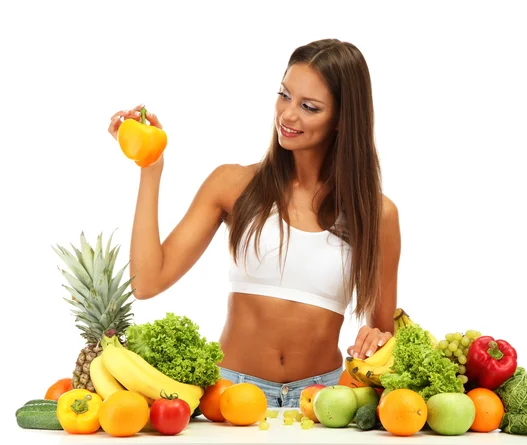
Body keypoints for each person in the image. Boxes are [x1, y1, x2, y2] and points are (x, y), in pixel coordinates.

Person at [107, 38, 400, 408]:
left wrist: (374, 338)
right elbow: (147, 282)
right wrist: (150, 169)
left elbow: (384, 332)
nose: (288, 115)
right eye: (285, 95)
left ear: (343, 119)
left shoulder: (377, 215)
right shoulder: (233, 184)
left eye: (309, 107)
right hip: (232, 394)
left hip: (325, 401)